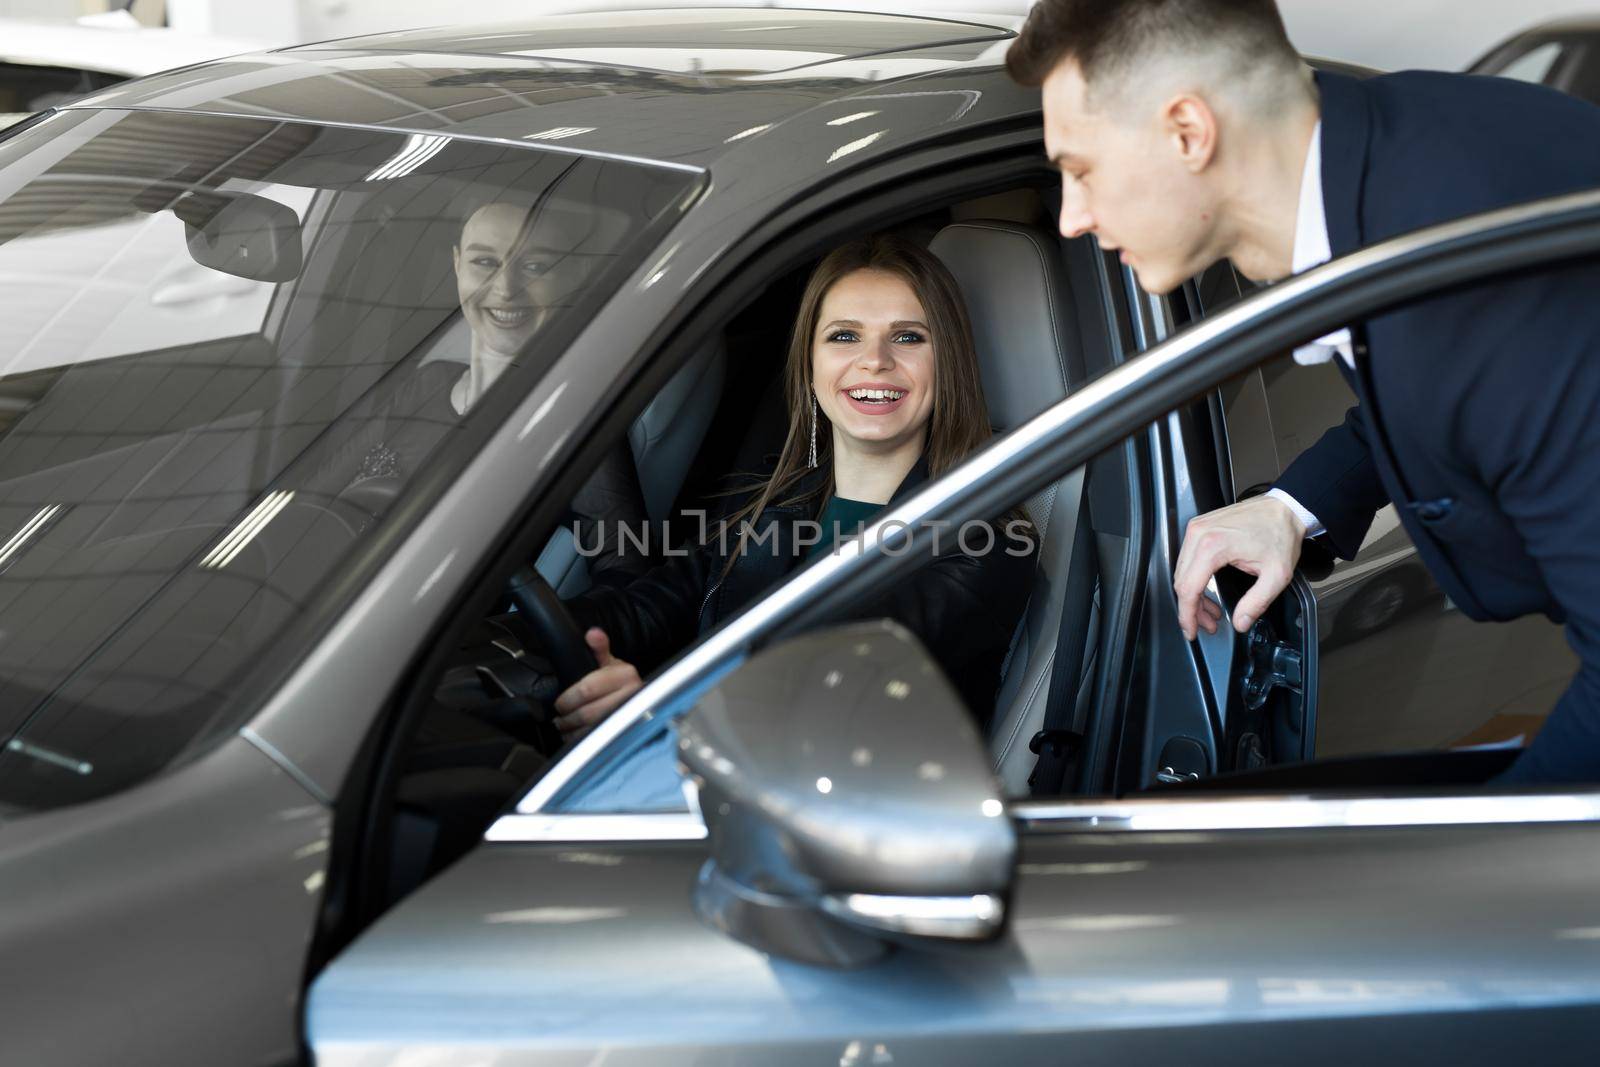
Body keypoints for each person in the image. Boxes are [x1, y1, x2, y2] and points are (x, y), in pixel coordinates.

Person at [1006, 0, 1600, 782]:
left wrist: (1481, 869)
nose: (1073, 218)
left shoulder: (1470, 285)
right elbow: (1424, 378)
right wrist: (1291, 509)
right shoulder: (1395, 162)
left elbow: (1467, 362)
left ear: (1189, 132)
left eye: (1080, 171)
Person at [547, 235, 1039, 738]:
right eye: (844, 336)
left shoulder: (984, 545)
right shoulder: (768, 504)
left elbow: (822, 685)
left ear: (948, 363)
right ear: (809, 364)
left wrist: (646, 710)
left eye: (909, 337)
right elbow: (642, 611)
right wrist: (510, 640)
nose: (875, 360)